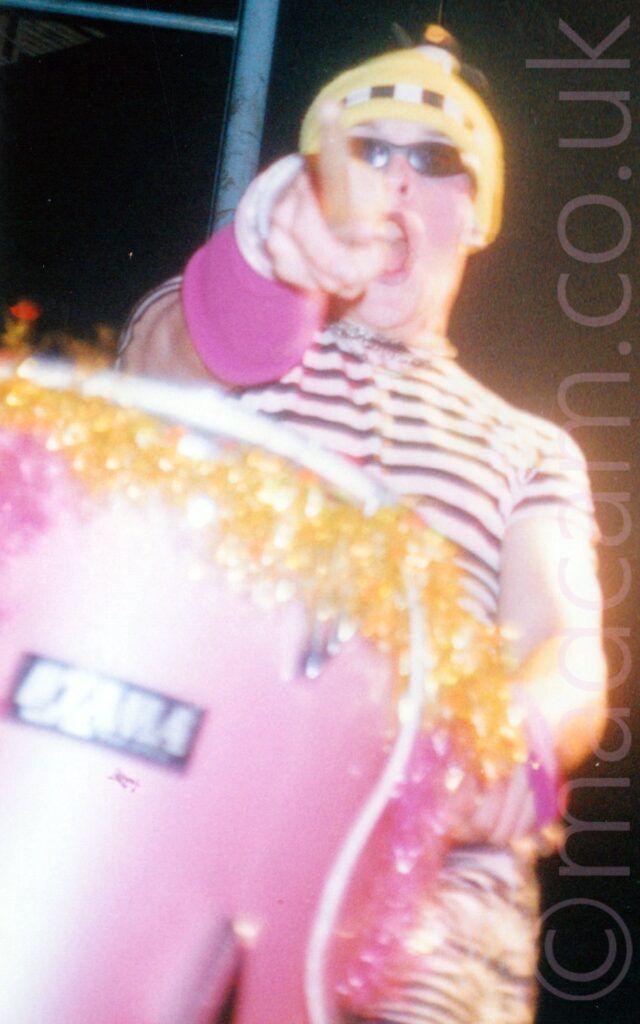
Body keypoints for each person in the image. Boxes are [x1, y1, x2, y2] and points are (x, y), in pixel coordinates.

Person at [118, 24, 606, 1024]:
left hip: (417, 870)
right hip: (192, 813)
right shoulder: (230, 328)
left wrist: (522, 726)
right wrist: (266, 264)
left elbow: (564, 641)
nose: (392, 181)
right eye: (362, 150)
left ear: (476, 216)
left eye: (432, 161)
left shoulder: (530, 446)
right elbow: (157, 371)